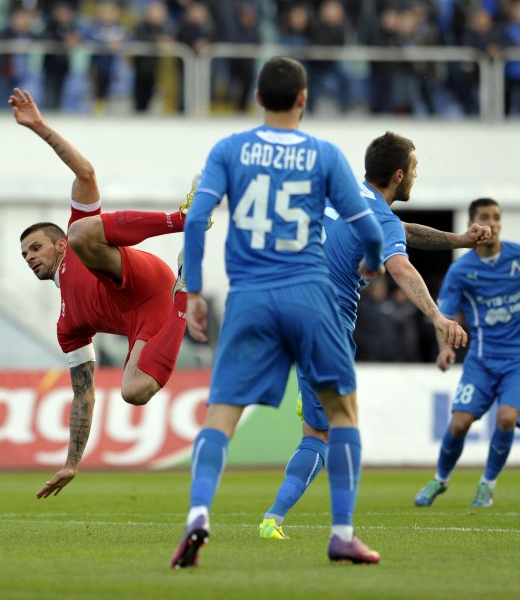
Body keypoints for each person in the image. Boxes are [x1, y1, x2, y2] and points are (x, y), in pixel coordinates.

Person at [170, 56, 386, 569]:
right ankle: (342, 533)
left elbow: (197, 218)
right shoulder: (325, 155)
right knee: (340, 415)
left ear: (258, 98)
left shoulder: (228, 150)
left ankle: (199, 515)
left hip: (248, 297)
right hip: (310, 297)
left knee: (220, 416)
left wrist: (195, 292)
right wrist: (373, 264)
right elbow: (371, 229)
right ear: (304, 99)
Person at [258, 132, 484, 541]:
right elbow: (400, 265)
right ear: (399, 175)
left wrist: (458, 240)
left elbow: (401, 230)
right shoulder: (379, 219)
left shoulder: (343, 193)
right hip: (326, 328)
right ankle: (274, 519)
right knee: (324, 435)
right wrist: (437, 317)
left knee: (322, 416)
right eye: (414, 169)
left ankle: (307, 399)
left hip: (289, 309)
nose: (416, 176)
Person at [11, 87, 195, 499]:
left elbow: (86, 173)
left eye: (35, 247)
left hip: (140, 277)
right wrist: (72, 462)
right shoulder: (66, 324)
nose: (29, 257)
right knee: (134, 393)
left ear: (54, 246)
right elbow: (84, 393)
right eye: (24, 255)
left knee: (83, 233)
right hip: (150, 315)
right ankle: (187, 292)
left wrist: (39, 127)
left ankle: (183, 217)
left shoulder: (72, 244)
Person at [415, 198, 520, 508]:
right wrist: (445, 348)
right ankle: (441, 478)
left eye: (497, 217)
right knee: (459, 423)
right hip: (481, 361)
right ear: (473, 225)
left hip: (516, 361)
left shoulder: (517, 258)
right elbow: (444, 316)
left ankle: (487, 485)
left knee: (506, 418)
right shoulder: (460, 271)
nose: (493, 223)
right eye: (485, 217)